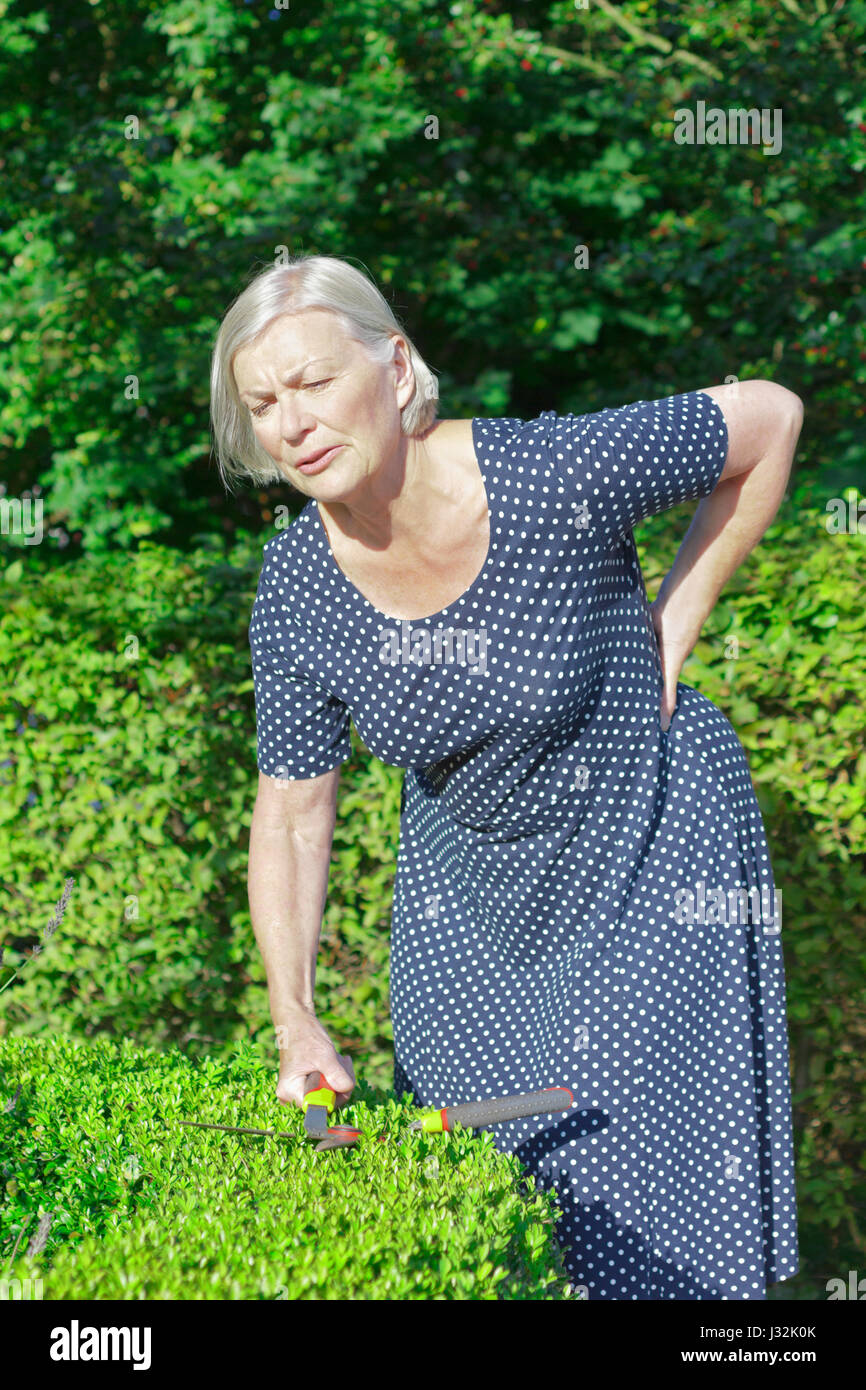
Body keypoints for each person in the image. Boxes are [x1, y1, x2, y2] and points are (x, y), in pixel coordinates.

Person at [210, 253, 803, 1300]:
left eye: (310, 383)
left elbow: (767, 417)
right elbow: (293, 811)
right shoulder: (297, 586)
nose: (289, 421)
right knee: (488, 1192)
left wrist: (672, 626)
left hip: (648, 843)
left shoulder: (551, 472)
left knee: (631, 1184)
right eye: (261, 403)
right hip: (471, 902)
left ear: (393, 370)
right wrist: (295, 1018)